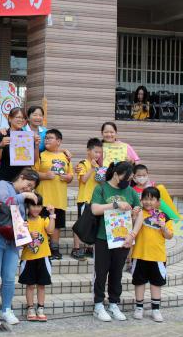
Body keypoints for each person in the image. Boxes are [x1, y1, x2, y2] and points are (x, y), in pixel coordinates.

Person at [0, 168, 40, 326]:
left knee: (9, 277)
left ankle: (6, 309)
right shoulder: (2, 185)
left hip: (13, 241)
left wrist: (25, 227)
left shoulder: (21, 197)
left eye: (31, 188)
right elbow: (5, 204)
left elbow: (19, 219)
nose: (28, 189)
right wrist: (25, 195)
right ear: (21, 177)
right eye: (28, 185)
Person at [90, 161, 143, 322]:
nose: (128, 180)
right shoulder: (101, 188)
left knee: (117, 272)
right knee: (101, 272)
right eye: (126, 177)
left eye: (130, 178)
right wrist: (116, 204)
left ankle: (114, 303)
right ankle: (98, 305)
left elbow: (139, 214)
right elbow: (95, 209)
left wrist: (132, 234)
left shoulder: (131, 191)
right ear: (115, 174)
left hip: (123, 239)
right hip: (103, 238)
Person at [132, 187, 173, 323]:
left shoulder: (164, 216)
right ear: (141, 200)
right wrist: (133, 216)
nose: (148, 202)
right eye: (145, 199)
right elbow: (130, 229)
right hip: (139, 254)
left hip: (157, 256)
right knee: (139, 282)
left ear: (158, 202)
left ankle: (156, 309)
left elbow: (169, 236)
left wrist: (163, 227)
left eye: (151, 199)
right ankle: (139, 308)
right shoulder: (139, 213)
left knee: (156, 283)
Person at [33, 128, 73, 260]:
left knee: (57, 225)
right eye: (46, 138)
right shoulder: (40, 155)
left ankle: (54, 249)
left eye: (50, 138)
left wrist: (69, 178)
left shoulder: (65, 157)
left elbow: (71, 175)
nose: (47, 140)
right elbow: (33, 172)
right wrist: (44, 175)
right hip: (43, 197)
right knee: (42, 222)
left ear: (59, 141)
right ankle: (41, 247)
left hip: (59, 198)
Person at [19, 194, 55, 322]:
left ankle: (40, 308)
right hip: (28, 258)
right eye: (33, 205)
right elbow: (22, 243)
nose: (36, 208)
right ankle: (30, 308)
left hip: (43, 257)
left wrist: (52, 215)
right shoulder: (24, 223)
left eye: (39, 206)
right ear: (27, 206)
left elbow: (50, 230)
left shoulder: (44, 219)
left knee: (41, 285)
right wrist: (28, 235)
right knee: (30, 285)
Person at [73, 138, 104, 260]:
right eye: (96, 152)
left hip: (95, 200)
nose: (98, 155)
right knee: (81, 223)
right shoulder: (82, 164)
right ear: (88, 151)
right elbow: (84, 180)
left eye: (100, 152)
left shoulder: (100, 166)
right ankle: (76, 248)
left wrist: (99, 171)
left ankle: (89, 248)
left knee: (92, 224)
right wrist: (92, 168)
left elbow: (101, 182)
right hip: (84, 199)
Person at [0, 107, 35, 182]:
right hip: (5, 179)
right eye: (18, 117)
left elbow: (34, 160)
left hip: (23, 179)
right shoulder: (2, 135)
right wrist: (1, 145)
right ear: (10, 119)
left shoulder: (28, 136)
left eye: (23, 118)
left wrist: (36, 144)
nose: (21, 120)